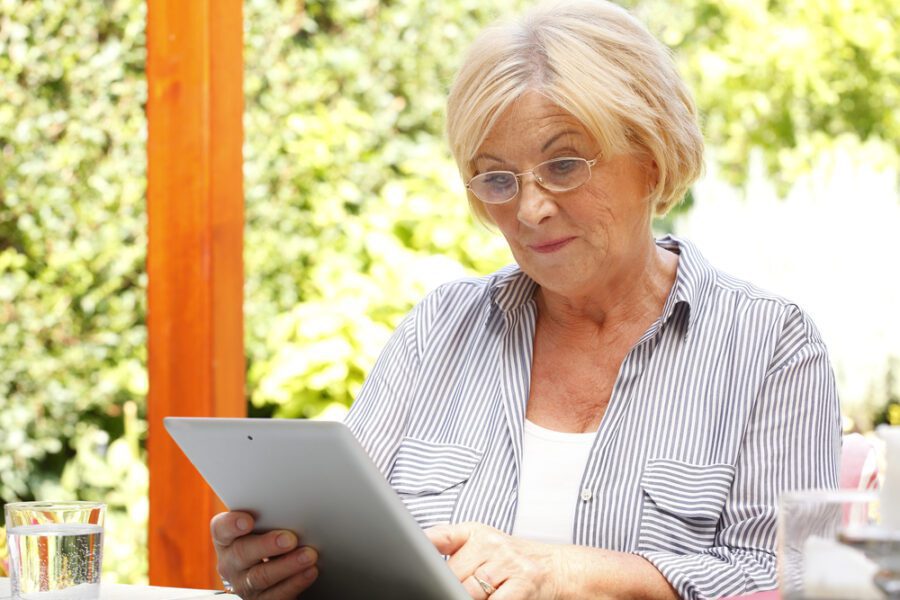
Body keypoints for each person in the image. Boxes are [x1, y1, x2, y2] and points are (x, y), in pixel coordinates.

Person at [210, 1, 841, 598]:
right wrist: (279, 567)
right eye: (496, 178)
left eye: (564, 164)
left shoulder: (771, 345)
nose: (530, 209)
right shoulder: (437, 330)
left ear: (652, 158)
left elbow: (796, 582)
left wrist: (569, 572)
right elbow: (346, 538)